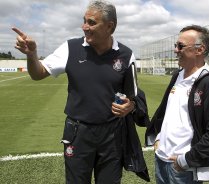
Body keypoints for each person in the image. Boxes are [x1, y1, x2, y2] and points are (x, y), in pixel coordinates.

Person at [12, 0, 149, 183]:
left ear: (110, 26)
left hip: (112, 135)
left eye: (91, 22)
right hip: (78, 132)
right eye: (84, 20)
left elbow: (132, 96)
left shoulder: (126, 54)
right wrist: (31, 55)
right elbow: (38, 74)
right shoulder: (71, 48)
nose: (84, 27)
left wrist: (129, 106)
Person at [146, 25, 209, 184]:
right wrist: (158, 136)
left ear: (199, 49)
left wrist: (186, 160)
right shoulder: (177, 75)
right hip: (161, 160)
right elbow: (166, 112)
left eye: (180, 46)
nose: (176, 50)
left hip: (184, 169)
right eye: (176, 45)